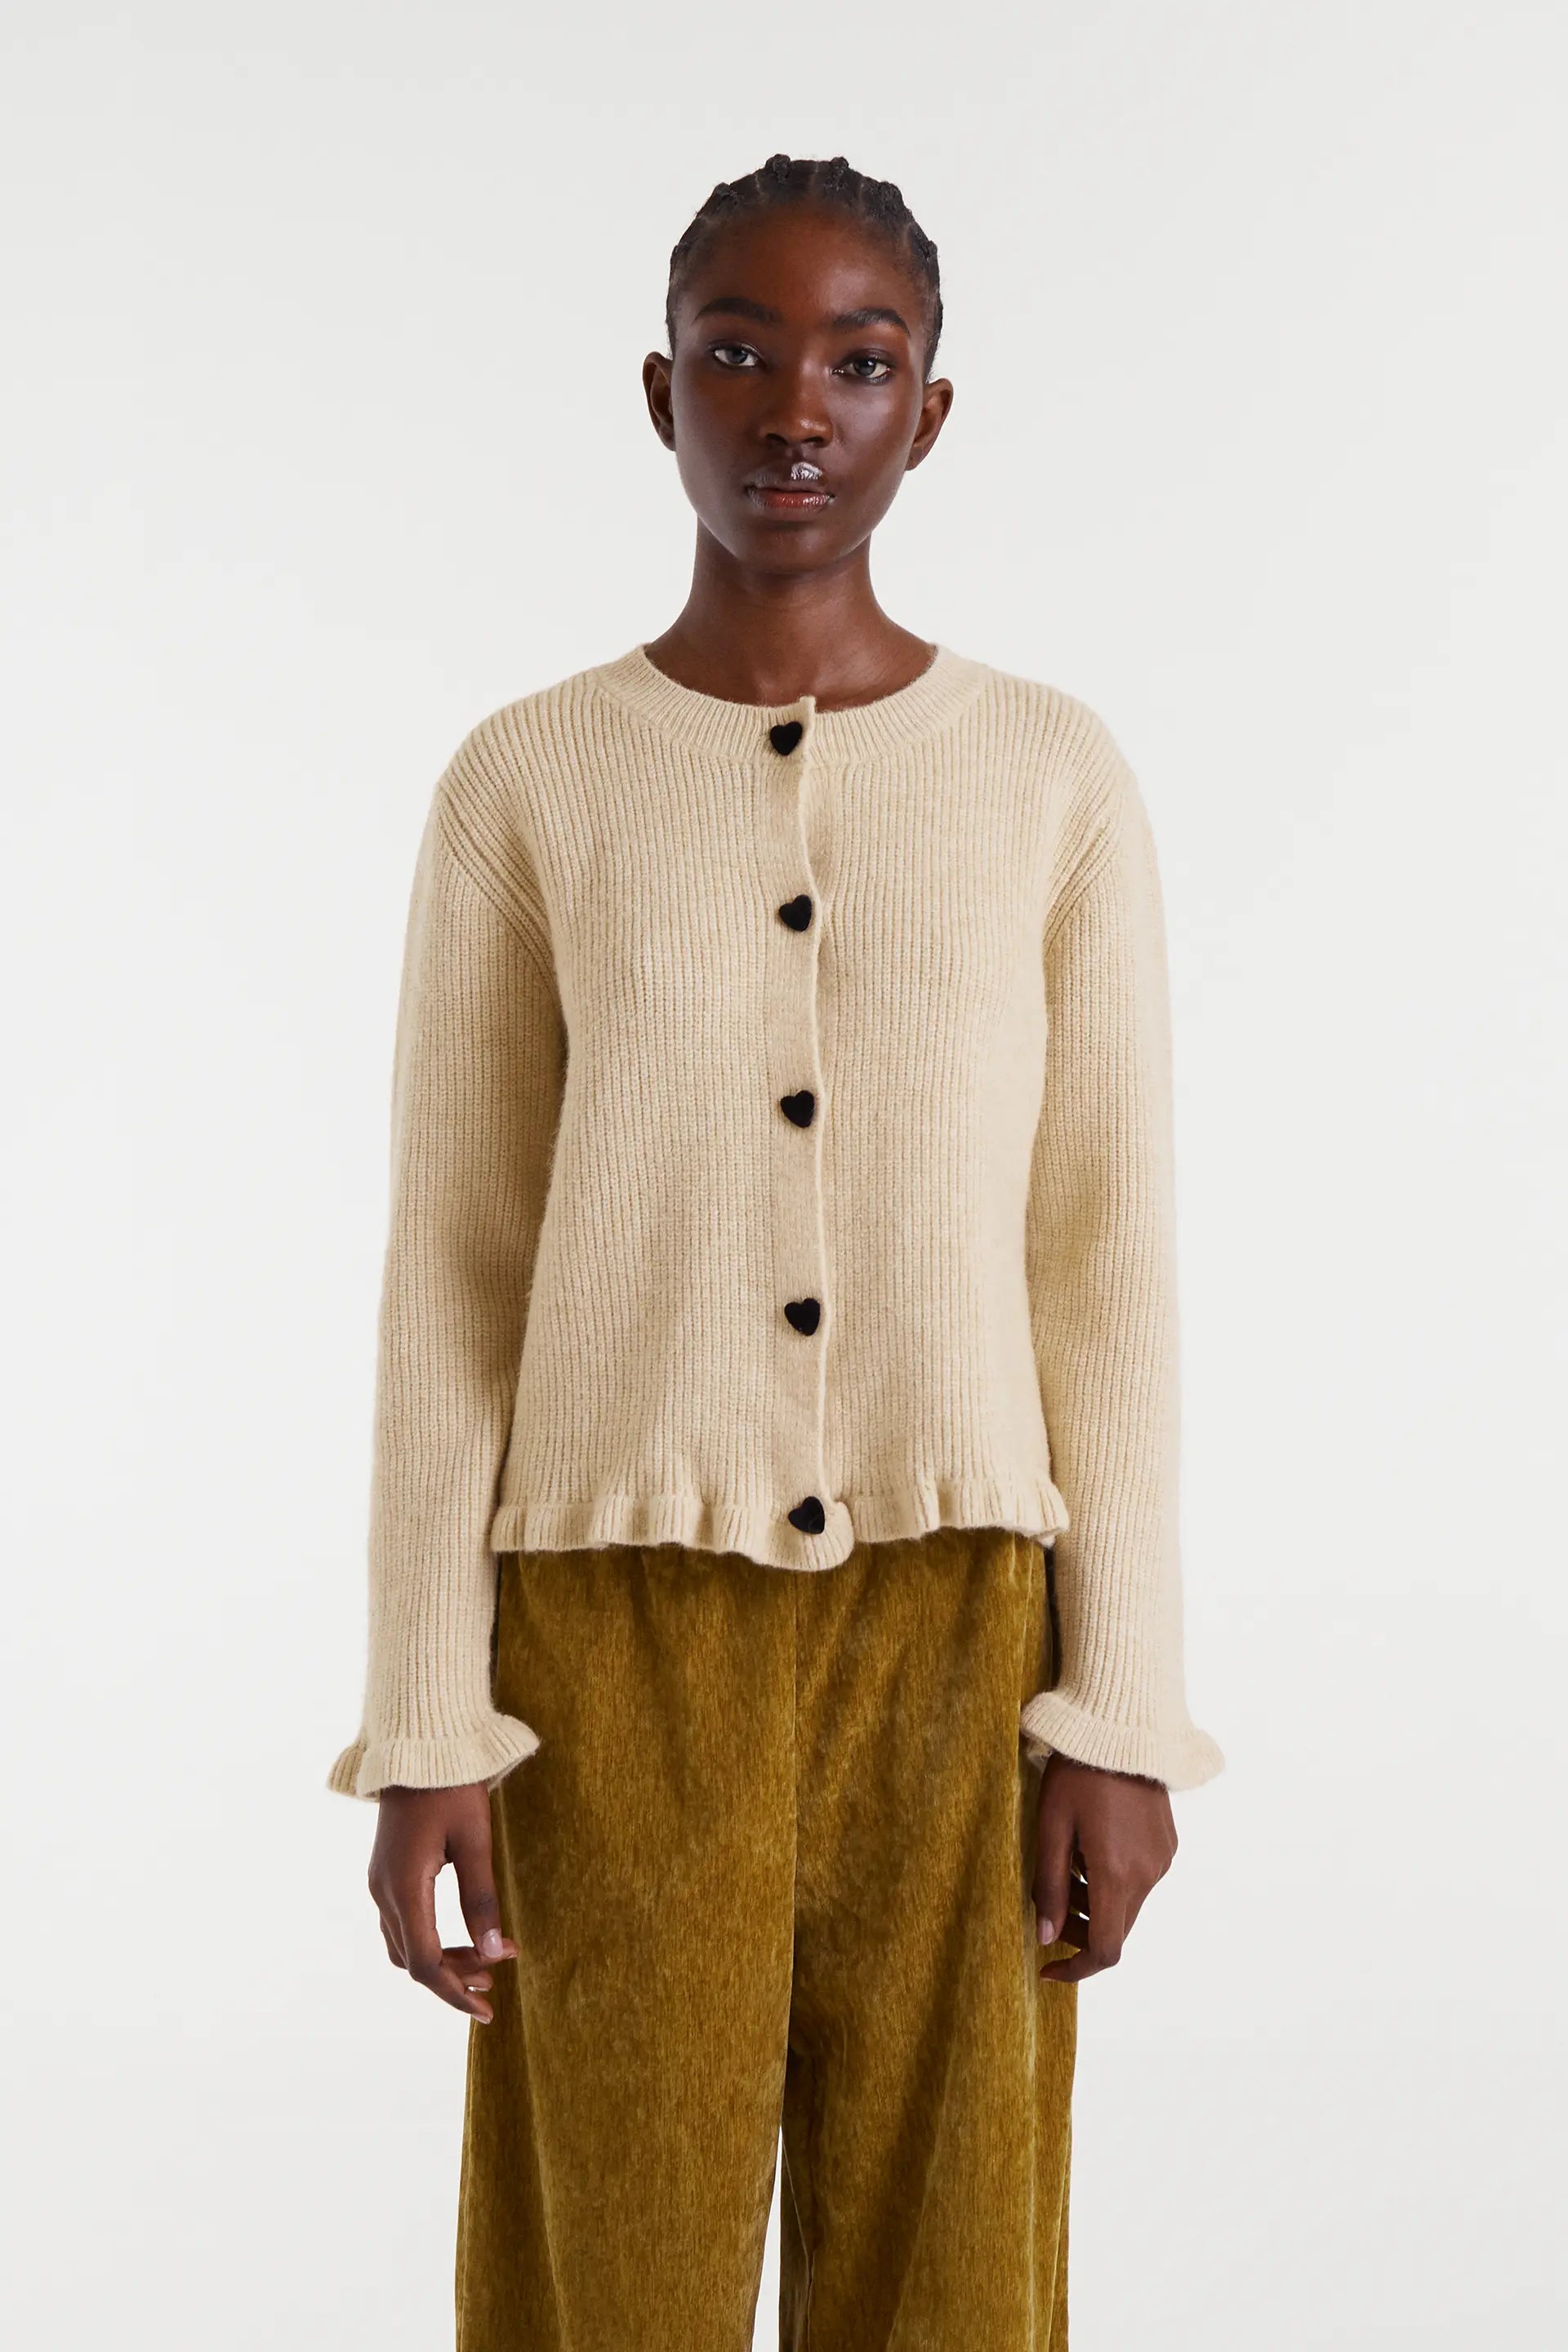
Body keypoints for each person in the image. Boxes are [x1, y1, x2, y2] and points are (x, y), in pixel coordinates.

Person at [328, 151, 1223, 2351]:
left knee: (957, 2275)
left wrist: (1120, 1703)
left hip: (961, 1633)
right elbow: (454, 1274)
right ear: (660, 393)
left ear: (932, 411)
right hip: (606, 1648)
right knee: (605, 2269)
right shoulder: (527, 785)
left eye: (858, 359)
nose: (794, 407)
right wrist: (428, 1715)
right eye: (737, 352)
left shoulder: (1051, 779)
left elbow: (1104, 1262)